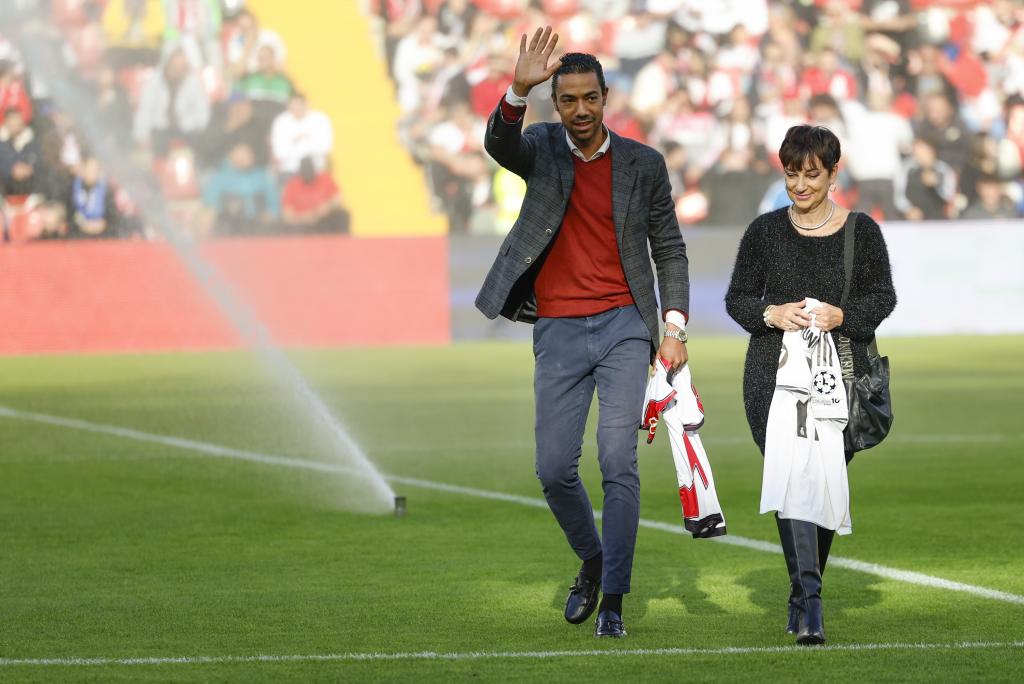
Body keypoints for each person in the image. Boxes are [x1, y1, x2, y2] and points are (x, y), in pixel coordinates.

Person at [476, 28, 690, 639]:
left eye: (588, 98)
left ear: (605, 97)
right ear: (555, 104)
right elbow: (498, 142)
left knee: (617, 461)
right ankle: (593, 560)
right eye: (566, 100)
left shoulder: (643, 164)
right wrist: (518, 87)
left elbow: (669, 250)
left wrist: (673, 327)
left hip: (627, 325)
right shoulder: (540, 148)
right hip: (559, 330)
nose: (579, 111)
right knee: (551, 470)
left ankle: (615, 600)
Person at [725, 125, 896, 645]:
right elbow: (738, 298)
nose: (800, 185)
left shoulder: (860, 231)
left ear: (833, 173)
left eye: (811, 175)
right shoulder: (763, 231)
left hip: (840, 381)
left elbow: (882, 296)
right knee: (793, 477)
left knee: (822, 483)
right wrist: (770, 313)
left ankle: (803, 592)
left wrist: (842, 313)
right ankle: (811, 602)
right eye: (792, 173)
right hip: (771, 379)